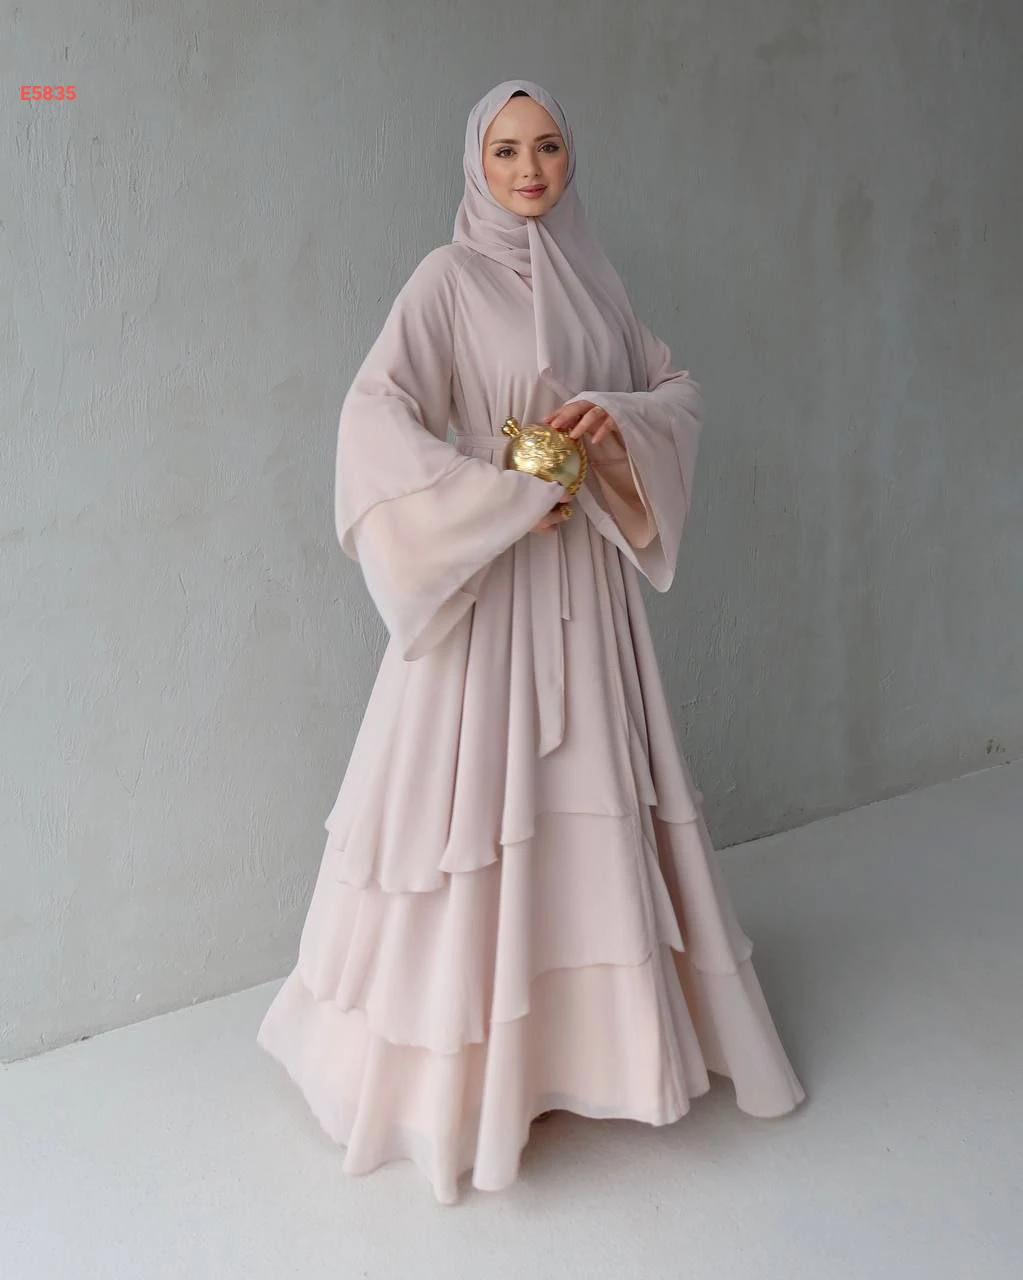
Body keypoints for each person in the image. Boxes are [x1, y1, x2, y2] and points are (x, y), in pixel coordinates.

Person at [257, 78, 805, 1205]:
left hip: (588, 599)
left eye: (547, 146)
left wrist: (619, 424)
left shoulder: (596, 278)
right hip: (492, 597)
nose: (528, 170)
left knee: (586, 794)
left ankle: (593, 1050)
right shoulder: (444, 280)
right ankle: (464, 1084)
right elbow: (373, 418)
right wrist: (498, 492)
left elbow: (675, 390)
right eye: (506, 150)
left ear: (569, 157)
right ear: (477, 162)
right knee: (470, 814)